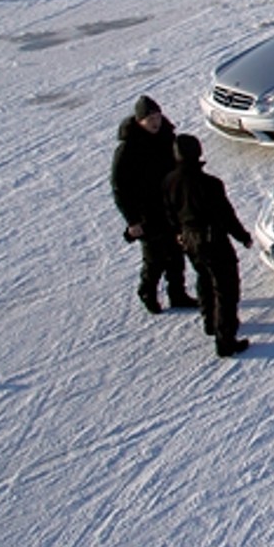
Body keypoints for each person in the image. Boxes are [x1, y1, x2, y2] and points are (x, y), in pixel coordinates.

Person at [162, 134, 253, 357]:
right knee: (226, 290)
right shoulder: (210, 184)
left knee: (203, 278)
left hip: (189, 239)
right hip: (213, 240)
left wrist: (178, 233)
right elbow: (225, 215)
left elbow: (169, 212)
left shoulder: (169, 181)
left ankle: (209, 320)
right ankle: (226, 340)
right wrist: (242, 236)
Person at [110, 95, 196, 316]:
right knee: (155, 258)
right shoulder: (127, 150)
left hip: (171, 209)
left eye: (157, 116)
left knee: (177, 253)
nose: (156, 122)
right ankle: (147, 292)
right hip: (147, 213)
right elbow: (120, 188)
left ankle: (178, 293)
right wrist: (132, 221)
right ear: (139, 121)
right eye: (150, 119)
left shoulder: (168, 138)